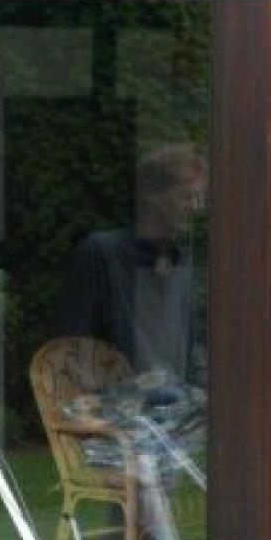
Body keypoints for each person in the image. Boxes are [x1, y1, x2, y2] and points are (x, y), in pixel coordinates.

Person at [58, 143, 208, 383]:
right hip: (115, 404)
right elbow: (73, 349)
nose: (196, 207)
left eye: (201, 198)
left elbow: (192, 352)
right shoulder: (101, 253)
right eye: (187, 196)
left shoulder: (183, 263)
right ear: (152, 194)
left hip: (176, 405)